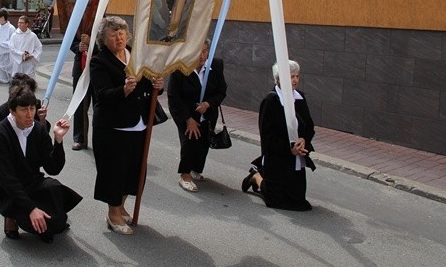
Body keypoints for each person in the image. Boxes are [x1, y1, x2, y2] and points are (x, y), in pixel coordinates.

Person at [90, 16, 164, 235]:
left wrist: (157, 86)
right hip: (113, 127)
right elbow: (101, 95)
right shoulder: (99, 61)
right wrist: (123, 91)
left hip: (139, 124)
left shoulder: (136, 55)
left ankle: (121, 205)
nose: (119, 38)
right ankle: (112, 214)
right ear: (105, 39)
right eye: (113, 35)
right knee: (114, 171)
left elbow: (150, 86)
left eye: (121, 33)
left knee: (134, 170)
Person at [0, 85, 82, 243]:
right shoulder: (0, 133)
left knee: (55, 192)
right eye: (24, 109)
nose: (30, 114)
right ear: (12, 110)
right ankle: (11, 217)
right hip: (9, 189)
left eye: (32, 108)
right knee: (41, 226)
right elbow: (7, 179)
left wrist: (58, 141)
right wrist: (31, 209)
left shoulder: (37, 129)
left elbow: (53, 168)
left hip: (32, 182)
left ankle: (44, 222)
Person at [241, 60, 316, 212]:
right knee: (275, 200)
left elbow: (309, 126)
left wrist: (303, 140)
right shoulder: (271, 101)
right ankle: (256, 176)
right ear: (279, 78)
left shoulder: (300, 97)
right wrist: (289, 149)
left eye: (297, 76)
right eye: (291, 77)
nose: (295, 80)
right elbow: (267, 136)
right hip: (277, 156)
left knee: (299, 202)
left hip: (296, 156)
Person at [167, 40, 227, 192]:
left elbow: (221, 91)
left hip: (207, 112)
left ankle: (195, 169)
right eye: (198, 52)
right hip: (185, 112)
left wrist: (208, 103)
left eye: (205, 51)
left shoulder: (216, 65)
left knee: (204, 142)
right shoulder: (180, 68)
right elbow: (174, 96)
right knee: (189, 140)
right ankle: (185, 175)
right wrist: (188, 119)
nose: (201, 56)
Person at [69, 32, 94, 150]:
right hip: (80, 68)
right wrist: (77, 47)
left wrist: (91, 42)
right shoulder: (78, 20)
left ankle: (101, 139)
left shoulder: (100, 18)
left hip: (98, 68)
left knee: (100, 106)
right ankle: (80, 138)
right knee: (80, 104)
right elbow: (69, 39)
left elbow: (106, 42)